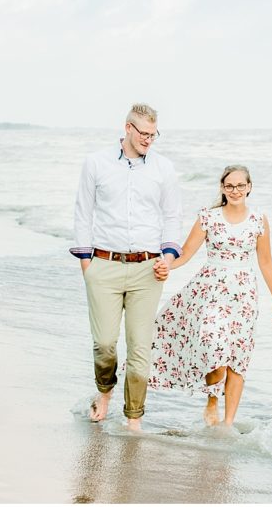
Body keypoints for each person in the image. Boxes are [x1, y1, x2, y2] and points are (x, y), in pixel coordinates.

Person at [71, 103, 182, 430]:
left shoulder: (164, 168)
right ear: (128, 128)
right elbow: (83, 213)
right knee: (104, 342)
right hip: (103, 266)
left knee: (140, 347)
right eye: (143, 133)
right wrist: (86, 266)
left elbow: (172, 217)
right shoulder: (96, 163)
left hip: (148, 269)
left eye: (153, 134)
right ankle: (104, 392)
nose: (149, 140)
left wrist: (169, 259)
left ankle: (134, 419)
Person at [148, 165, 272, 427]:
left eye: (240, 185)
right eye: (230, 186)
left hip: (244, 293)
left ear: (249, 187)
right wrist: (166, 264)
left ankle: (228, 423)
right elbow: (186, 253)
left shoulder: (258, 219)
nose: (235, 191)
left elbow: (266, 262)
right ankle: (212, 399)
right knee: (213, 344)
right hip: (211, 290)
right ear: (222, 188)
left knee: (238, 358)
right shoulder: (208, 217)